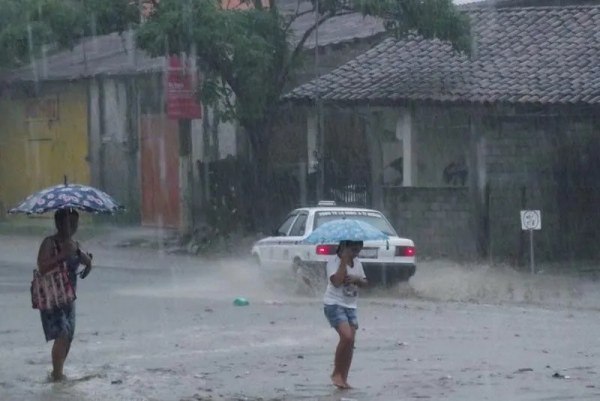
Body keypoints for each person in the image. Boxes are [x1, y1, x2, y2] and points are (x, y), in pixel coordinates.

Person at [36, 208, 92, 381]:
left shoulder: (74, 244)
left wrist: (87, 262)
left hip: (69, 297)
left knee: (69, 336)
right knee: (62, 333)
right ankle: (58, 375)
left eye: (75, 223)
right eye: (69, 222)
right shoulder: (49, 243)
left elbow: (84, 260)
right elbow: (42, 267)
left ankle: (57, 371)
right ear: (59, 223)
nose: (73, 226)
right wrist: (61, 255)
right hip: (52, 296)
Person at [323, 240, 368, 389]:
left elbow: (365, 282)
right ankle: (336, 373)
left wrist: (357, 279)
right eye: (353, 250)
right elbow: (336, 282)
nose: (355, 254)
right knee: (346, 337)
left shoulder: (358, 263)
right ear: (344, 247)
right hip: (334, 304)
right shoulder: (333, 262)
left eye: (358, 251)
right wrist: (343, 260)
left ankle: (343, 377)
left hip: (351, 306)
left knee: (351, 342)